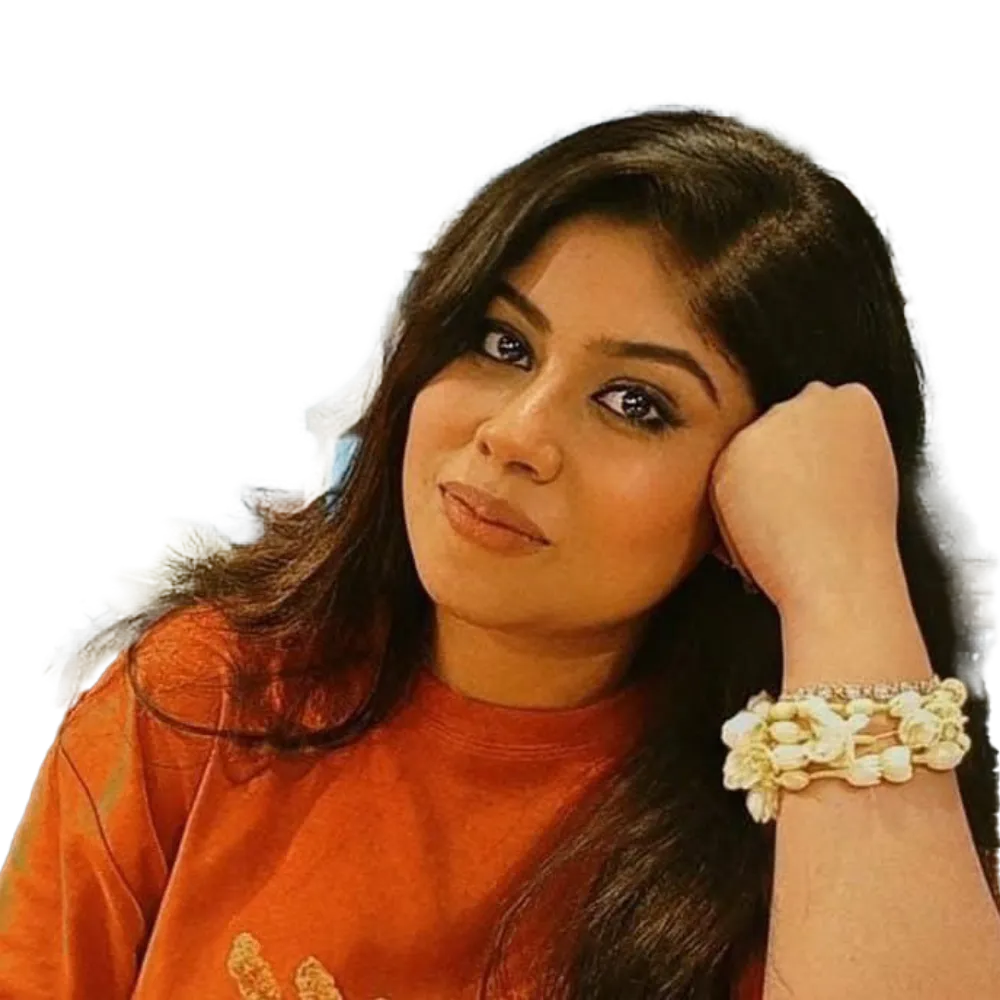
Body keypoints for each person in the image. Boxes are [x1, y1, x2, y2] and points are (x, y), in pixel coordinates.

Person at [2, 102, 994, 1000]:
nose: (515, 434)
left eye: (635, 403)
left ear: (757, 490)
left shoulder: (806, 831)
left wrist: (843, 572)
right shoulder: (205, 694)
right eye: (503, 344)